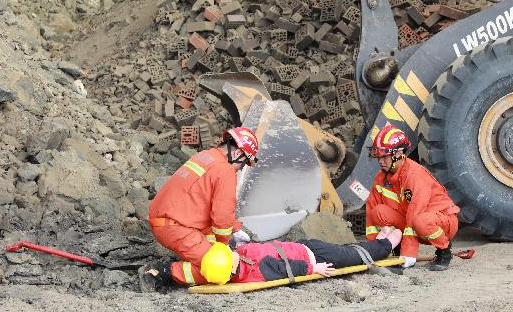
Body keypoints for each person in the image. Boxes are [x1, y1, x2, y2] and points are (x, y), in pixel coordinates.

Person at [145, 126, 259, 286]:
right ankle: (161, 272)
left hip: (167, 221)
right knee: (221, 269)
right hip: (176, 228)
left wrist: (236, 228)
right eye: (244, 163)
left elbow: (204, 199)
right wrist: (223, 247)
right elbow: (222, 215)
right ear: (237, 154)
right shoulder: (225, 170)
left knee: (213, 241)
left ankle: (189, 260)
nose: (241, 168)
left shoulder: (206, 156)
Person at [139, 227, 403, 291]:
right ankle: (388, 241)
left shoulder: (218, 268)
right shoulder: (253, 268)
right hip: (308, 253)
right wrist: (314, 268)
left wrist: (162, 272)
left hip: (305, 250)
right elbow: (285, 269)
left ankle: (385, 241)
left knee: (348, 253)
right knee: (352, 256)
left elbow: (189, 271)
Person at [364, 125, 461, 271]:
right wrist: (371, 251)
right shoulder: (381, 178)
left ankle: (444, 250)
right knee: (379, 212)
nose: (380, 161)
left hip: (442, 221)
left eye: (384, 156)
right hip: (415, 221)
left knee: (420, 220)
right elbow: (371, 216)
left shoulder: (414, 175)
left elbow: (414, 212)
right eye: (379, 157)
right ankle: (395, 249)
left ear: (399, 153)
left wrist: (408, 254)